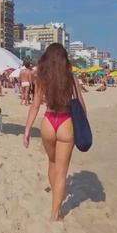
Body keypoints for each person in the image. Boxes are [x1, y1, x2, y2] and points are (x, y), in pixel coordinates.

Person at [23, 43, 85, 222]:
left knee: (52, 162)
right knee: (62, 171)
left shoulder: (42, 77)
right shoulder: (70, 77)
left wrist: (27, 130)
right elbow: (80, 104)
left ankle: (56, 200)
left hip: (49, 122)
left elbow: (35, 106)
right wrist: (83, 126)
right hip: (66, 122)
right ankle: (55, 213)